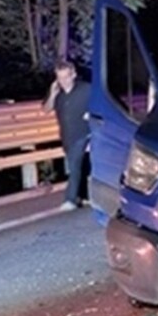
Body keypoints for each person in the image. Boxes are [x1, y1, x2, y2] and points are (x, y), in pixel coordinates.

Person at [43, 59, 92, 210]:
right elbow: (46, 109)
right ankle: (83, 196)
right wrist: (52, 94)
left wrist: (91, 114)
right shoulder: (59, 95)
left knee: (74, 166)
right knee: (80, 165)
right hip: (67, 136)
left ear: (73, 75)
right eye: (60, 78)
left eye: (66, 77)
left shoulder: (86, 89)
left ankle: (70, 199)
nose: (63, 81)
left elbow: (100, 104)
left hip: (84, 133)